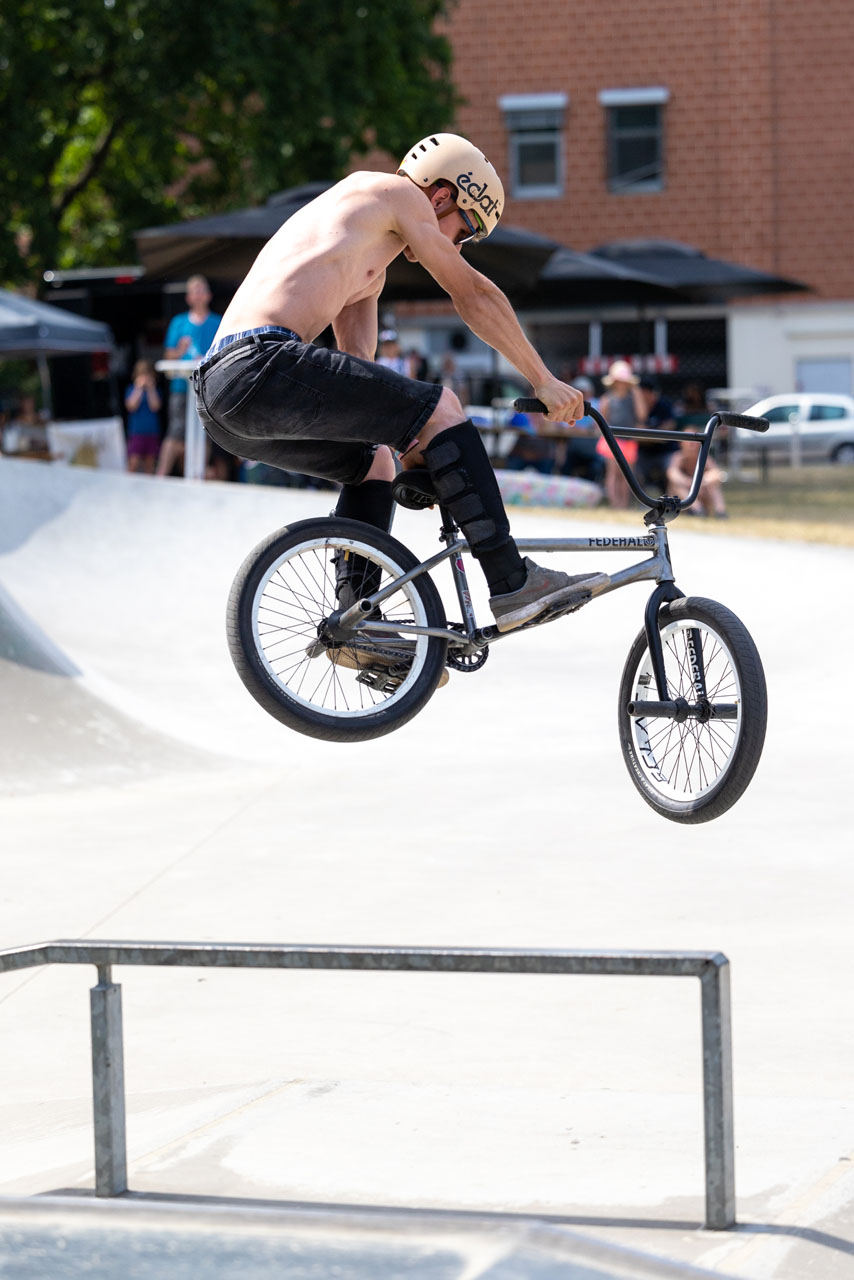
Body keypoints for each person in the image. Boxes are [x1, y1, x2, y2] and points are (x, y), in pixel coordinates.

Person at [194, 132, 607, 639]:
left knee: (375, 461)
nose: (456, 246)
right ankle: (512, 580)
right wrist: (543, 380)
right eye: (463, 232)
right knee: (444, 405)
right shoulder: (395, 195)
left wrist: (412, 446)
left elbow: (356, 378)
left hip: (227, 404)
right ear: (440, 196)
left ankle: (357, 622)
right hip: (258, 365)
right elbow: (472, 292)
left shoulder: (363, 256)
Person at [157, 276, 221, 477]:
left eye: (202, 290)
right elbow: (168, 355)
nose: (199, 294)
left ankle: (198, 475)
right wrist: (179, 350)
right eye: (195, 290)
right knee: (175, 432)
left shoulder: (218, 322)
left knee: (205, 432)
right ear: (188, 297)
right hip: (181, 386)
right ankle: (161, 476)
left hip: (208, 387)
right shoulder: (179, 322)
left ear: (209, 295)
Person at [667, 384, 728, 517]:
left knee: (713, 485)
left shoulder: (703, 457)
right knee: (676, 486)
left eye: (694, 442)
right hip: (685, 494)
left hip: (701, 490)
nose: (691, 445)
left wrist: (703, 482)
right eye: (688, 442)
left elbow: (716, 473)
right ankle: (697, 510)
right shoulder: (678, 457)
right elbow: (672, 474)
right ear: (681, 443)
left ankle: (721, 512)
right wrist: (690, 483)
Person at [596, 360, 647, 509]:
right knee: (612, 473)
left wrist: (637, 393)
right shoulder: (607, 398)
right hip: (612, 439)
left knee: (627, 475)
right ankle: (614, 504)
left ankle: (623, 505)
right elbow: (602, 419)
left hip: (629, 439)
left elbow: (642, 415)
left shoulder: (633, 397)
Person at [559, 375, 605, 484]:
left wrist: (578, 429)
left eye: (583, 391)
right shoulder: (570, 405)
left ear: (590, 392)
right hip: (575, 448)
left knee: (595, 468)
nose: (581, 394)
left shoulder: (598, 404)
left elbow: (597, 427)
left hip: (593, 449)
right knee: (565, 465)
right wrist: (584, 430)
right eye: (578, 391)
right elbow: (564, 428)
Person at [635, 376, 677, 493]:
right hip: (643, 453)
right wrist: (654, 436)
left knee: (672, 470)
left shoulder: (664, 405)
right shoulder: (635, 407)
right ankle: (640, 501)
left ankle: (672, 499)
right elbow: (634, 432)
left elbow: (669, 427)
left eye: (646, 392)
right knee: (632, 469)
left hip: (666, 451)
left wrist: (645, 436)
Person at [124, 360, 162, 474]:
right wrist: (138, 388)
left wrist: (150, 388)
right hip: (136, 432)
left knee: (149, 465)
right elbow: (131, 406)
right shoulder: (131, 389)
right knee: (133, 463)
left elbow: (155, 406)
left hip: (151, 432)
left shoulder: (155, 390)